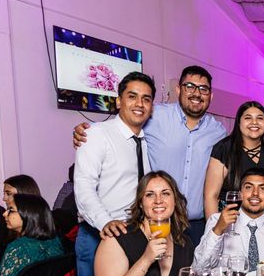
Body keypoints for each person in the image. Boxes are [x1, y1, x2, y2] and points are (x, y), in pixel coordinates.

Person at [73, 65, 227, 245]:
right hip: (110, 229)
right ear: (178, 89)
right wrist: (86, 133)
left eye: (203, 89)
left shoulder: (218, 132)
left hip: (189, 225)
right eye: (190, 86)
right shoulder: (154, 117)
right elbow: (85, 185)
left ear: (211, 95)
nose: (196, 93)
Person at [74, 71, 154, 276]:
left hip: (134, 234)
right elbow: (83, 187)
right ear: (119, 101)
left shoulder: (146, 141)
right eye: (132, 96)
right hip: (99, 234)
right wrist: (105, 222)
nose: (139, 103)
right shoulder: (96, 134)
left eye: (146, 99)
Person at [94, 171, 194, 276]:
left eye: (165, 193)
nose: (158, 200)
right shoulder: (117, 238)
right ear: (141, 203)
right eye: (149, 194)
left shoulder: (183, 242)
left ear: (175, 200)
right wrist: (146, 259)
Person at [193, 167, 264, 270]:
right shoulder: (217, 221)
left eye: (262, 188)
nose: (255, 193)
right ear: (240, 194)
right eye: (248, 187)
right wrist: (218, 230)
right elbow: (198, 269)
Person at [204, 101, 264, 218]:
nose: (254, 122)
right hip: (232, 224)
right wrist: (215, 231)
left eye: (260, 118)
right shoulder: (224, 149)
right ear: (239, 122)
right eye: (248, 118)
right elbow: (211, 196)